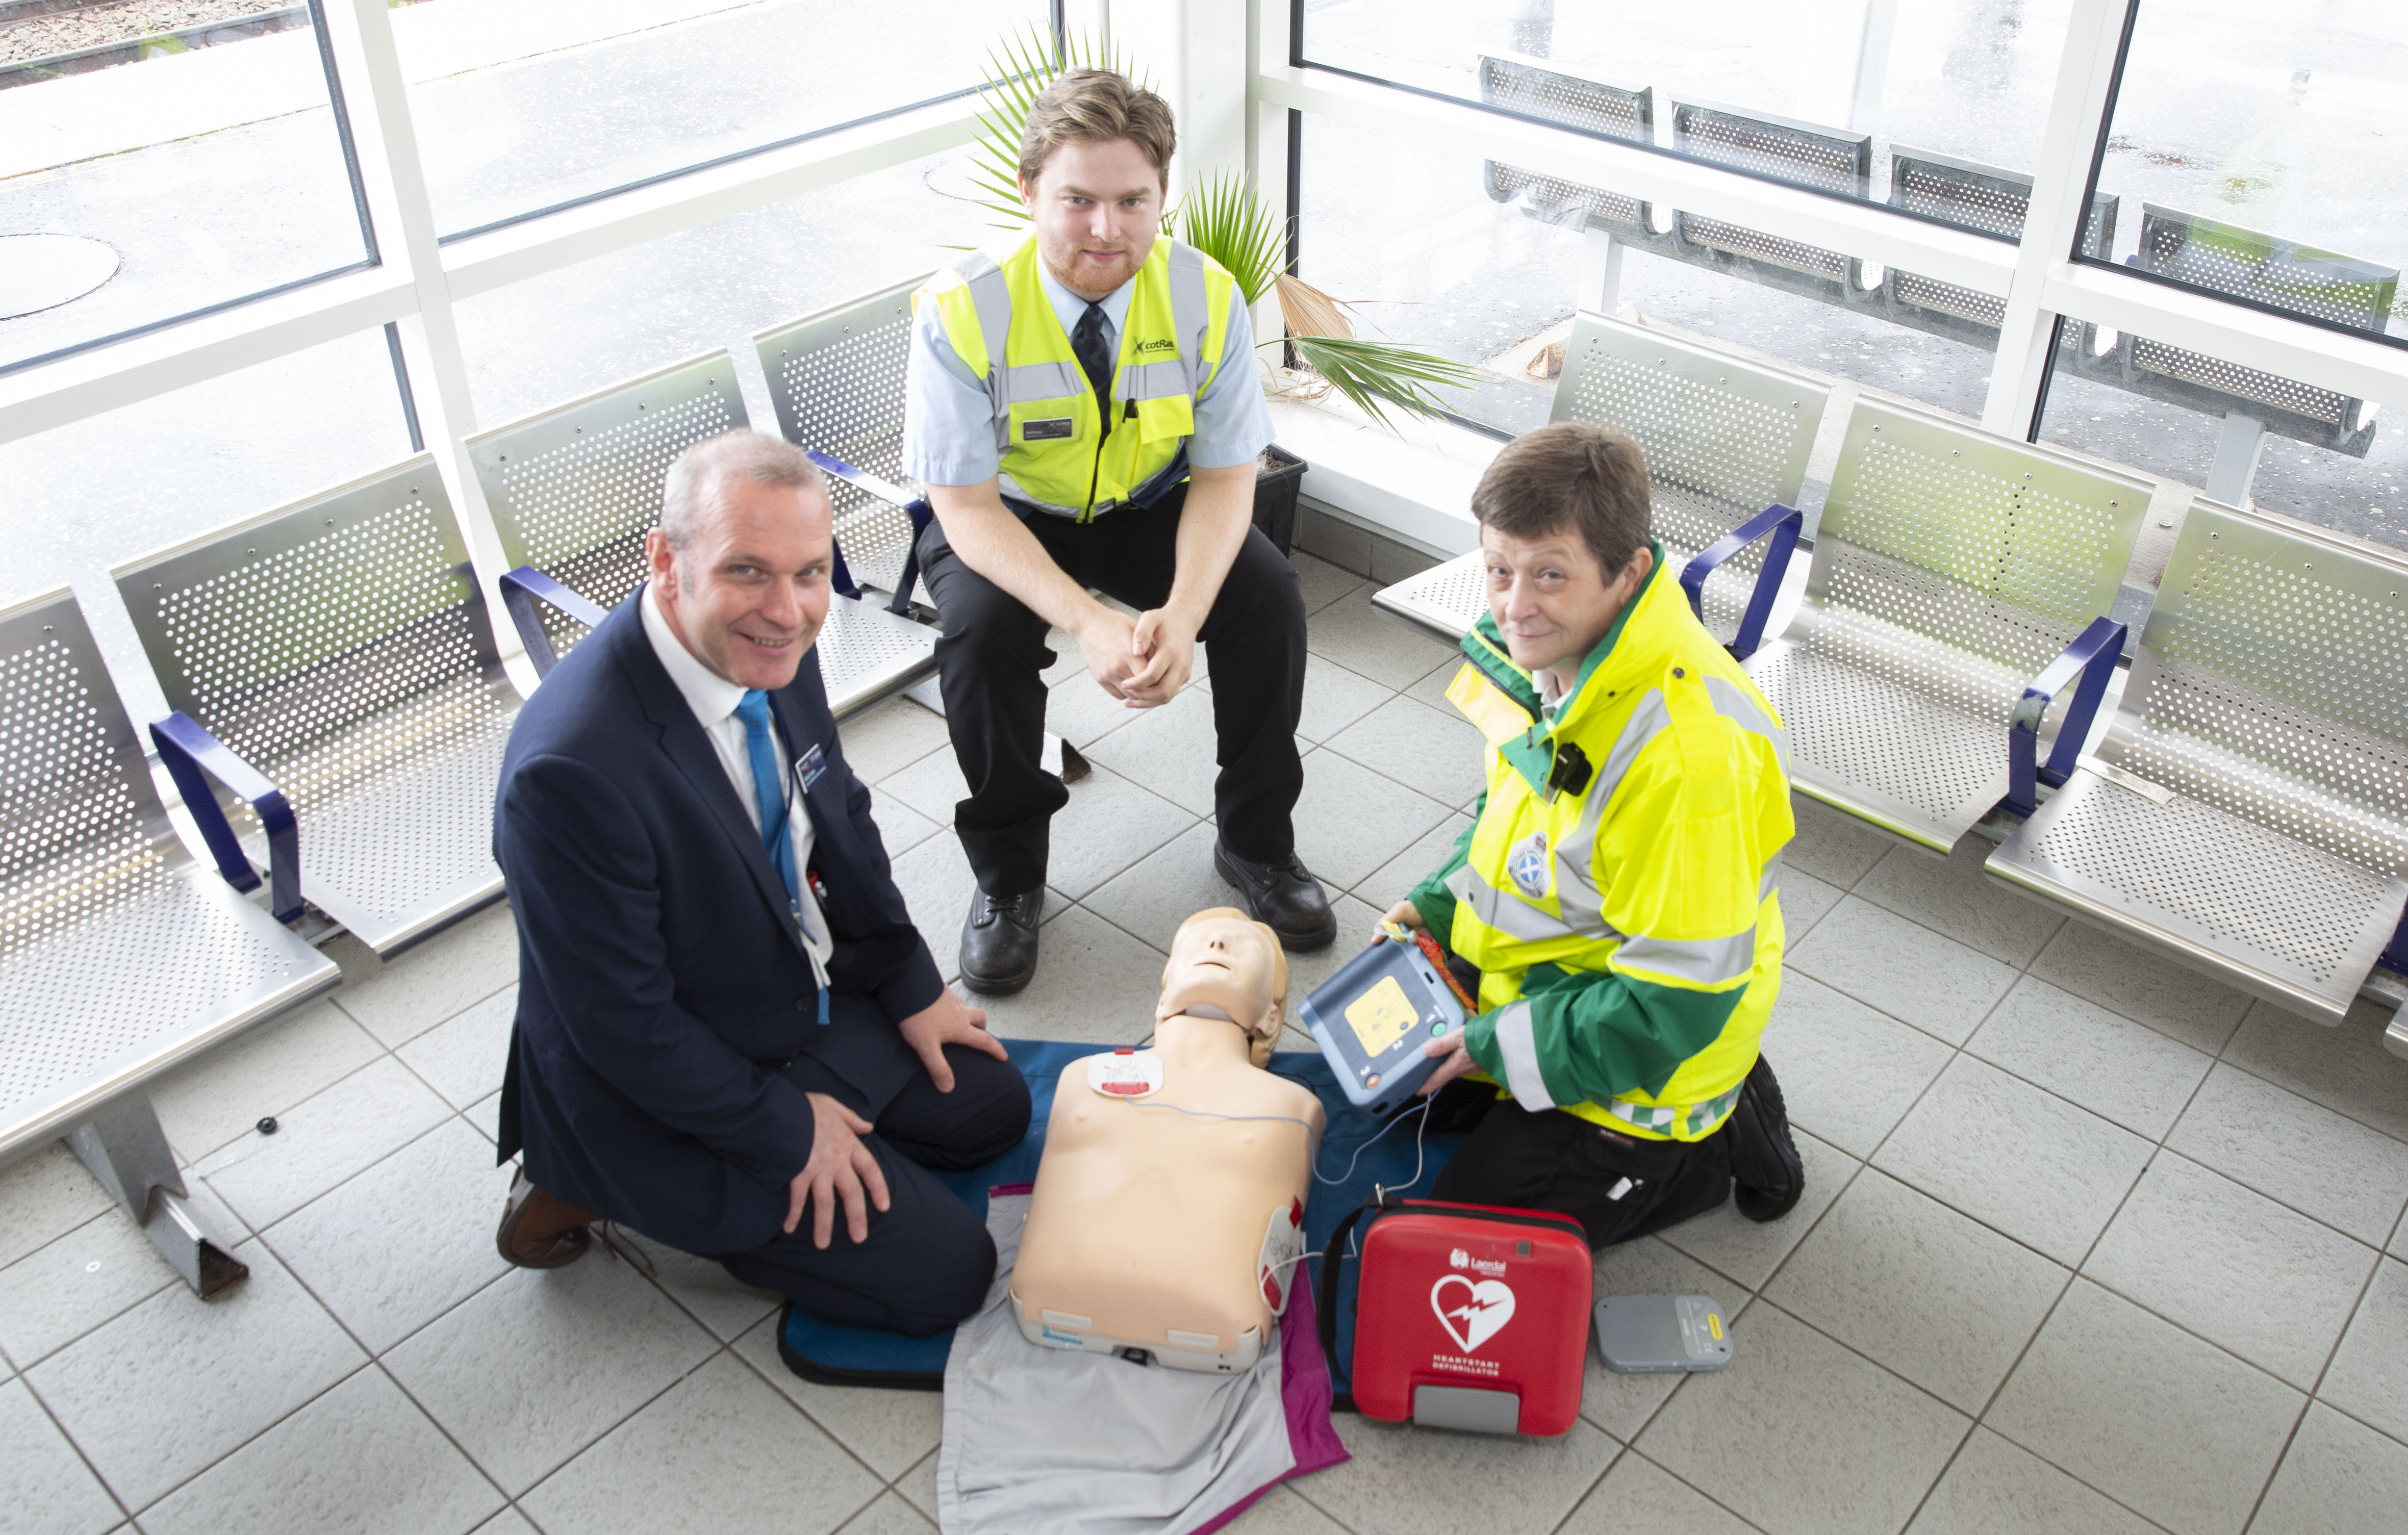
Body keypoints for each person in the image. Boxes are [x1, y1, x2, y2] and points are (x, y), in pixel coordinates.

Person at [490, 430, 1031, 1336]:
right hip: (657, 1068)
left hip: (765, 989)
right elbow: (623, 1025)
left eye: (811, 571)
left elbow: (839, 813)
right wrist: (787, 1130)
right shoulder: (568, 771)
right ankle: (578, 1178)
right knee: (947, 1275)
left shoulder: (775, 635)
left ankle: (817, 1118)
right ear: (666, 561)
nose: (788, 610)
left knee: (991, 1110)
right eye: (748, 571)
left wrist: (909, 984)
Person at [903, 68, 1333, 996]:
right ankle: (1010, 881)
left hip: (1150, 500)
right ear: (1029, 195)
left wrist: (1179, 613)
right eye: (1079, 201)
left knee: (1267, 600)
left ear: (1162, 195)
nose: (1107, 229)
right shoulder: (961, 310)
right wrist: (1090, 623)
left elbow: (1225, 479)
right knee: (979, 640)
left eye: (1133, 200)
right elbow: (965, 509)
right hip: (1008, 517)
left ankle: (1258, 847)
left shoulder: (1203, 296)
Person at [1381, 420, 1805, 1249]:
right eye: (1498, 569)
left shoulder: (1686, 763)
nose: (1512, 605)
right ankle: (1523, 1073)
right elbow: (1519, 820)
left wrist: (1501, 1046)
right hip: (1581, 977)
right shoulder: (1565, 659)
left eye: (1548, 575)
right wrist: (1434, 905)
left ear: (1628, 572)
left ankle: (1711, 1148)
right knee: (1392, 1076)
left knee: (1458, 1233)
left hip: (1657, 1056)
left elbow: (1677, 1000)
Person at [1011, 908, 1324, 1371]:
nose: (1216, 945)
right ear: (1162, 995)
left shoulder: (1295, 1107)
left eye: (1241, 947)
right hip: (1059, 1298)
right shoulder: (1082, 1079)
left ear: (1272, 1017)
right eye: (1201, 943)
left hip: (1204, 1318)